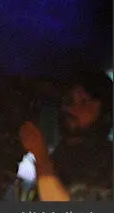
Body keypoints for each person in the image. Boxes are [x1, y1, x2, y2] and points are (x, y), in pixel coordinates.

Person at [19, 70, 113, 201]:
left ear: (104, 113)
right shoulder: (59, 154)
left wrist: (41, 157)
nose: (71, 109)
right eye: (69, 100)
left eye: (83, 102)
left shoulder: (108, 161)